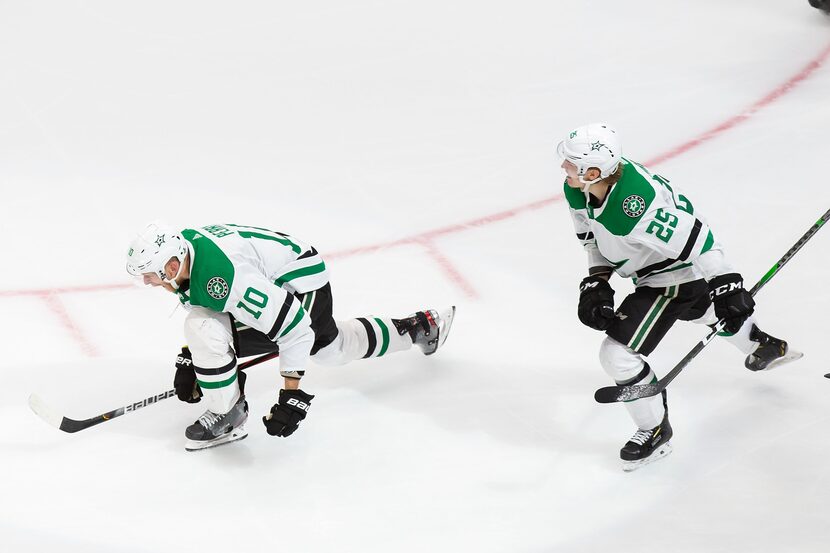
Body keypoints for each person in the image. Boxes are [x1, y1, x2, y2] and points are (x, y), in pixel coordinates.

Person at [557, 123, 801, 471]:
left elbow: (697, 238)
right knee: (705, 310)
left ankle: (653, 430)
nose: (563, 167)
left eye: (570, 162)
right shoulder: (581, 188)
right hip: (655, 270)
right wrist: (597, 281)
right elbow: (591, 239)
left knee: (618, 356)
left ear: (592, 171)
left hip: (671, 277)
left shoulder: (633, 207)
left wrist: (727, 282)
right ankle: (758, 342)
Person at [126, 222, 456, 451]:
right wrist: (192, 358)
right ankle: (419, 326)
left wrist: (291, 398)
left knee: (329, 350)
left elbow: (294, 329)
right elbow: (204, 303)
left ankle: (418, 327)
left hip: (300, 284)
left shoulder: (226, 277)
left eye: (148, 274)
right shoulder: (185, 255)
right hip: (274, 274)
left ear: (170, 267)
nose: (146, 282)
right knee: (202, 331)